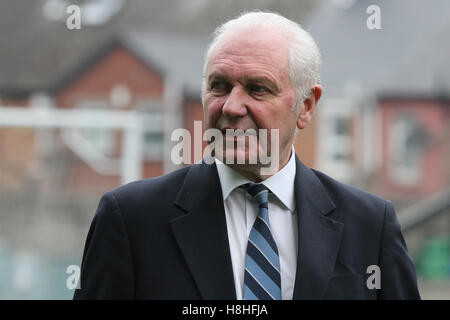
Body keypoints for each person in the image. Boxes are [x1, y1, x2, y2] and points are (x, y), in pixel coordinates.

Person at [73, 11, 420, 300]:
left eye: (258, 88)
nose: (232, 106)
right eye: (219, 86)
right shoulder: (132, 219)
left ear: (306, 106)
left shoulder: (371, 226)